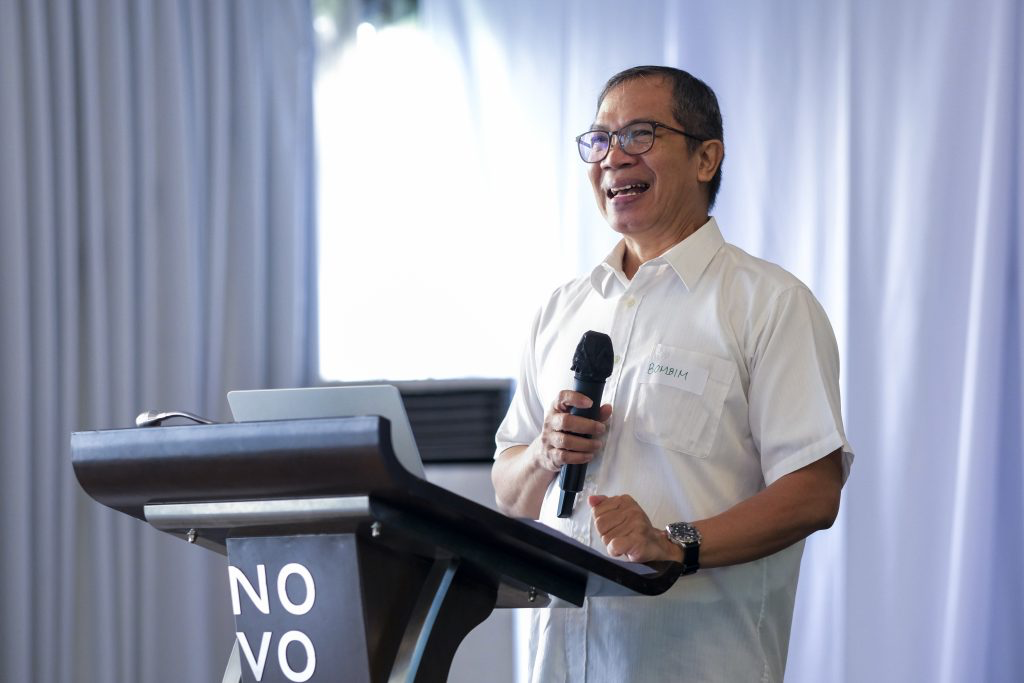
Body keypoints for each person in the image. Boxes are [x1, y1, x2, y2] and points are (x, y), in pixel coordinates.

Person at [491, 65, 854, 682]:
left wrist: (674, 542)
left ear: (706, 158)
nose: (613, 158)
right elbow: (510, 492)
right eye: (600, 140)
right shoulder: (561, 310)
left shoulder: (769, 304)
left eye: (639, 134)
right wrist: (545, 455)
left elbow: (813, 493)